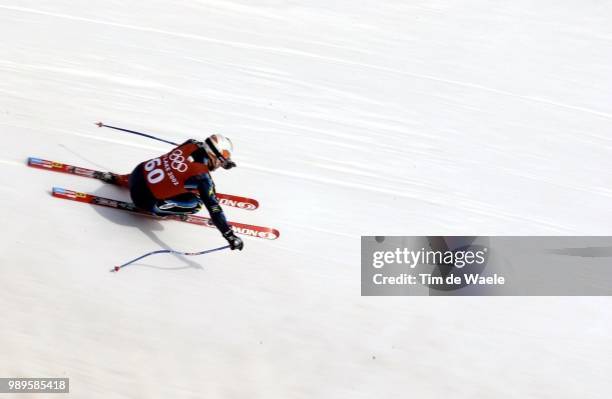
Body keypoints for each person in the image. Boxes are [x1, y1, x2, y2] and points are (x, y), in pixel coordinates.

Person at [101, 134, 243, 251]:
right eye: (221, 161)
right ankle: (164, 209)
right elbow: (214, 209)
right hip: (143, 200)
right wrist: (229, 235)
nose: (220, 165)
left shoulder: (191, 143)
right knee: (198, 204)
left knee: (171, 170)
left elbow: (181, 164)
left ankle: (121, 179)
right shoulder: (203, 178)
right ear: (213, 155)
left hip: (136, 175)